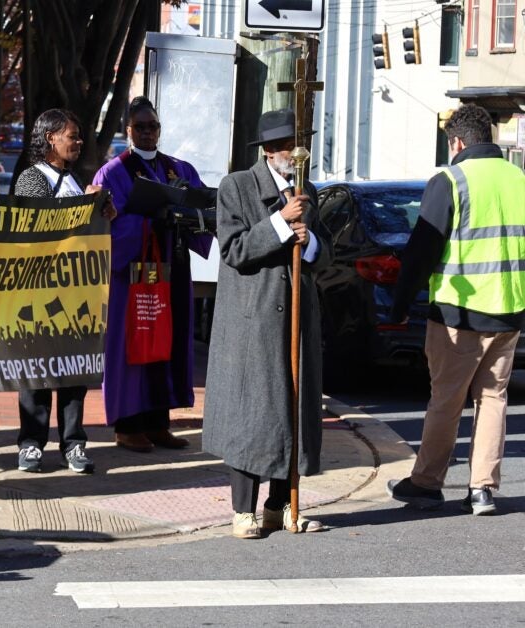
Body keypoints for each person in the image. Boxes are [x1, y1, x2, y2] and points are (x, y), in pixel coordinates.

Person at [387, 104, 525, 516]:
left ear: (458, 142)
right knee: (493, 398)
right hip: (509, 309)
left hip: (458, 313)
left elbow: (421, 252)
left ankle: (427, 484)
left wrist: (399, 304)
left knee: (446, 400)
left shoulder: (450, 179)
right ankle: (482, 489)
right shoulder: (519, 179)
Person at [202, 109, 333, 539]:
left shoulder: (307, 190)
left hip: (295, 319)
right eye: (281, 149)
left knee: (291, 410)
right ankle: (244, 510)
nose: (290, 157)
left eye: (294, 148)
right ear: (267, 152)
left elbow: (324, 254)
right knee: (252, 413)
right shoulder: (236, 186)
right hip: (252, 320)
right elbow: (235, 249)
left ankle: (282, 505)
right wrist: (280, 222)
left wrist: (308, 239)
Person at [92, 96, 212, 454]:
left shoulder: (179, 169)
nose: (147, 133)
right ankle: (128, 426)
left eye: (153, 126)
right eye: (140, 127)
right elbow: (105, 225)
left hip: (172, 270)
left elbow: (201, 208)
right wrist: (150, 220)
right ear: (128, 130)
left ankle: (159, 423)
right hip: (133, 276)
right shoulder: (113, 172)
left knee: (168, 344)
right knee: (135, 344)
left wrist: (186, 216)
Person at [12, 108, 103, 475]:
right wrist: (84, 206)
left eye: (79, 137)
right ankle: (31, 445)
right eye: (72, 136)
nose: (78, 143)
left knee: (72, 372)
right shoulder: (31, 179)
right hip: (38, 292)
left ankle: (74, 443)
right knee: (35, 372)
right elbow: (37, 226)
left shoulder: (73, 179)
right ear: (51, 138)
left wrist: (100, 209)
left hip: (74, 293)